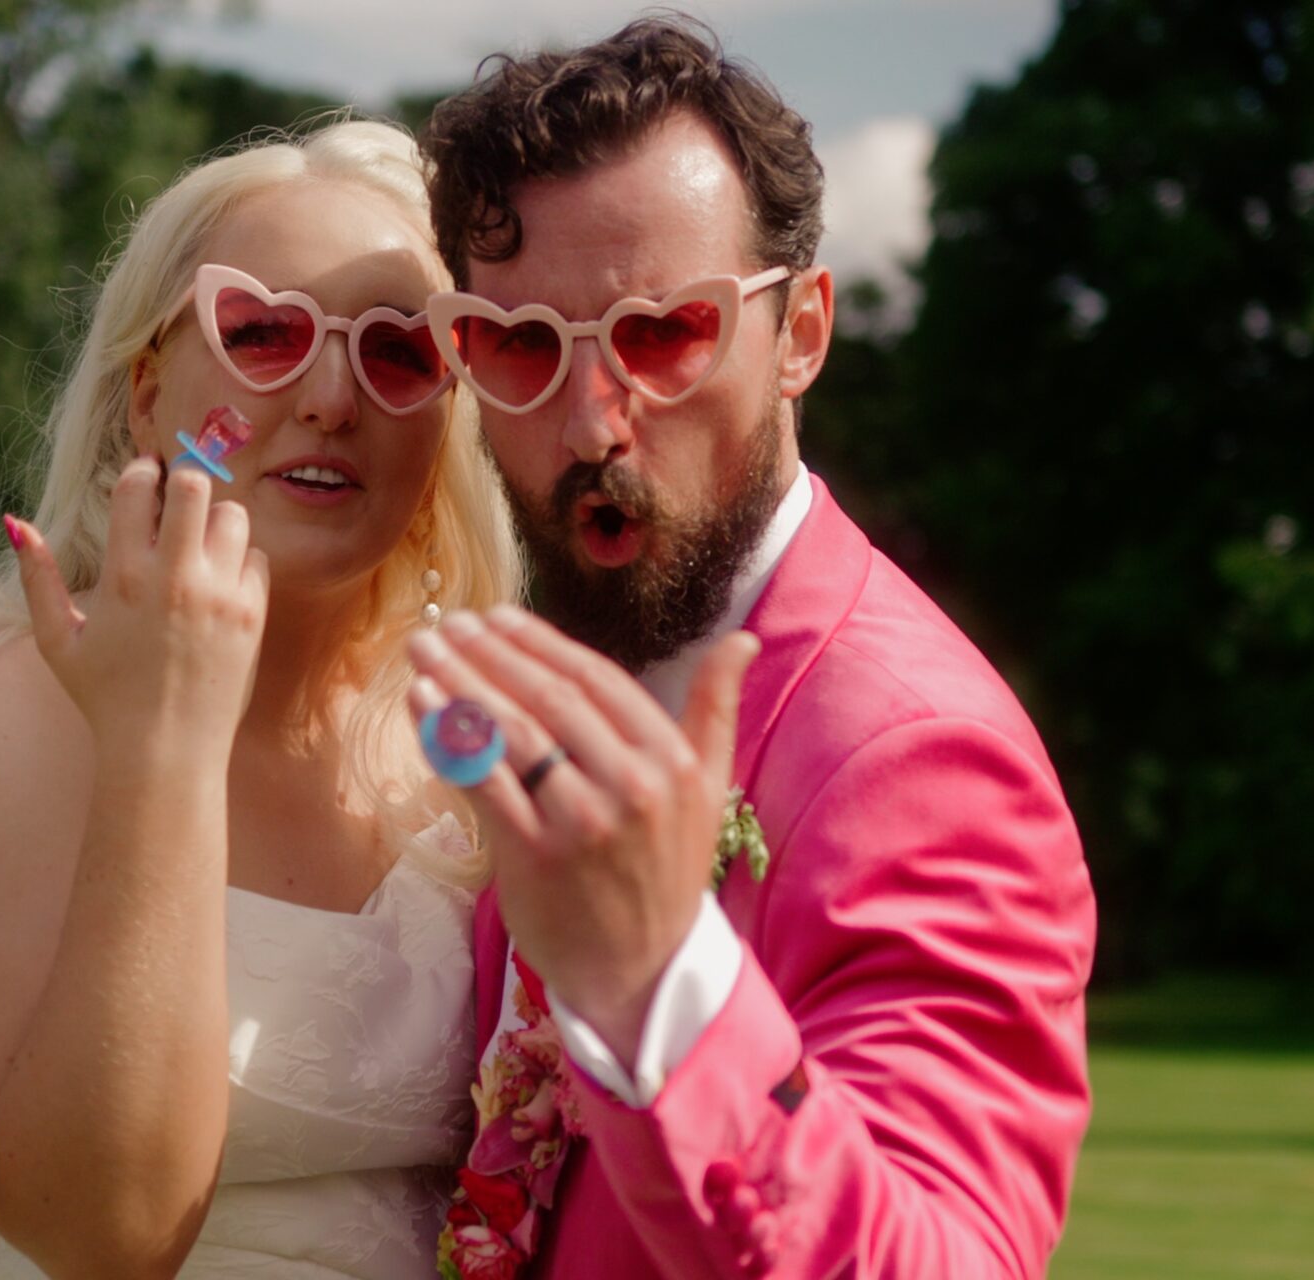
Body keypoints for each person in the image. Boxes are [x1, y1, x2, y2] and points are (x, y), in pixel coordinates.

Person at [403, 18, 1097, 1279]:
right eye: (520, 345)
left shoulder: (918, 756)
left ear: (801, 334)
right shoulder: (557, 678)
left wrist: (660, 986)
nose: (591, 419)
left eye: (662, 333)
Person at [0, 119, 521, 1279]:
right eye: (261, 330)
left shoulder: (468, 742)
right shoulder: (2, 707)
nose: (330, 393)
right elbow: (99, 1228)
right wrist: (161, 741)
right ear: (146, 390)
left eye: (399, 352)